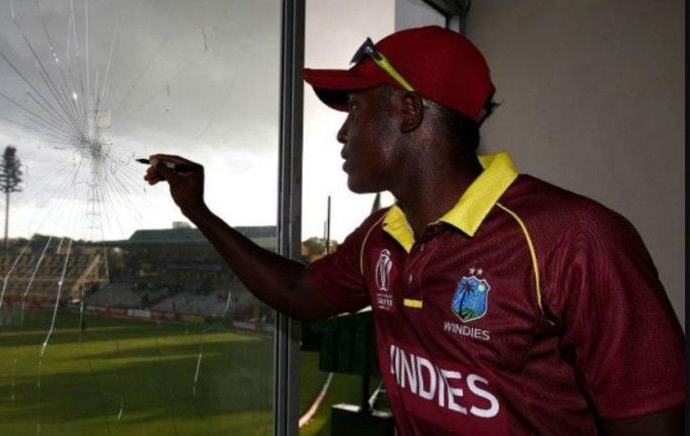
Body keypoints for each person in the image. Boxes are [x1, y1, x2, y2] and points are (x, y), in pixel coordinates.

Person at [143, 26, 684, 435]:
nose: (341, 131)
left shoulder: (577, 240)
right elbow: (299, 293)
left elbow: (650, 424)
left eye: (355, 106)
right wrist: (200, 212)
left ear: (407, 110)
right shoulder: (383, 235)